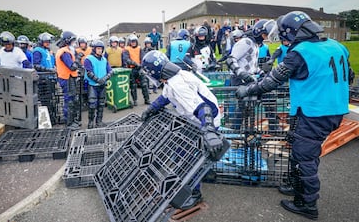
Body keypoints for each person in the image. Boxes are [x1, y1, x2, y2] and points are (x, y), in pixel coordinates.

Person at [236, 11, 354, 220]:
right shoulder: (337, 46)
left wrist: (248, 90)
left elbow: (272, 81)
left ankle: (307, 204)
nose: (283, 40)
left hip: (313, 111)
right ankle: (295, 185)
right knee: (301, 149)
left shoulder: (301, 52)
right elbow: (349, 76)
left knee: (304, 158)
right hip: (334, 109)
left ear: (291, 32)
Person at [140, 50, 229, 210]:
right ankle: (206, 171)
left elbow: (202, 108)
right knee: (186, 152)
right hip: (197, 120)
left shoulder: (177, 84)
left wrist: (209, 130)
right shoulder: (175, 77)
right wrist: (151, 108)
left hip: (204, 121)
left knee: (188, 158)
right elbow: (165, 97)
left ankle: (194, 194)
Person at [55, 31, 81, 130]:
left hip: (69, 78)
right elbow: (72, 67)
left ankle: (72, 120)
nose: (74, 43)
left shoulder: (66, 50)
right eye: (73, 41)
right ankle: (68, 123)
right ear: (67, 41)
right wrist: (78, 59)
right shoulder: (64, 52)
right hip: (67, 79)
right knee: (69, 101)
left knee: (73, 100)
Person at [84, 40, 113, 128]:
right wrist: (97, 80)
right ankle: (90, 122)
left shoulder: (104, 59)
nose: (100, 50)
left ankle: (99, 121)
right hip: (93, 85)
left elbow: (110, 71)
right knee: (92, 104)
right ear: (94, 49)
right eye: (98, 48)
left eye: (101, 49)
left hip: (102, 85)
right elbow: (89, 72)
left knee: (101, 104)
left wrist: (104, 79)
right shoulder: (88, 59)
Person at [123, 34, 150, 105]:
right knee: (133, 86)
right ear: (129, 42)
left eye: (134, 41)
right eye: (132, 41)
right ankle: (135, 100)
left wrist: (141, 66)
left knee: (144, 84)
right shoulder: (127, 49)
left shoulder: (139, 48)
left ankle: (147, 99)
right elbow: (126, 59)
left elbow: (143, 58)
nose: (133, 43)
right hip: (131, 69)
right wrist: (135, 63)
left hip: (139, 69)